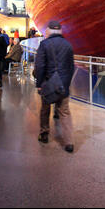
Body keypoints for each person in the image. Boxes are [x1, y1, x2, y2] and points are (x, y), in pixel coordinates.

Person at [34, 20, 75, 152]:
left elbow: (40, 66)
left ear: (49, 31)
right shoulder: (68, 45)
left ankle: (44, 134)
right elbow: (71, 67)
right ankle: (69, 142)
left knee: (45, 110)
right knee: (64, 112)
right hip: (63, 84)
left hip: (48, 83)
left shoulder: (44, 44)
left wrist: (39, 84)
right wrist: (67, 83)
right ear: (60, 31)